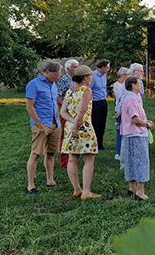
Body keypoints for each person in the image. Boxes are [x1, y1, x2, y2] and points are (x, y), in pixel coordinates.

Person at [60, 65, 101, 200]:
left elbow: (62, 112)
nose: (91, 78)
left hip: (70, 127)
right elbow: (82, 111)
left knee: (72, 158)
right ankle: (86, 192)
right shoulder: (86, 91)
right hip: (84, 127)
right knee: (89, 159)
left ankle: (77, 189)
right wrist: (77, 125)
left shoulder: (69, 92)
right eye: (90, 76)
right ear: (85, 78)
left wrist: (72, 123)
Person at [25, 62, 62, 194]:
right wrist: (39, 124)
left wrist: (57, 118)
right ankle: (30, 185)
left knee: (51, 153)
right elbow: (29, 106)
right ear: (46, 72)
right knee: (36, 154)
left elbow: (54, 103)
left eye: (58, 75)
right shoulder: (34, 84)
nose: (57, 78)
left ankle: (50, 180)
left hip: (54, 124)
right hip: (41, 125)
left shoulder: (53, 85)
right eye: (55, 75)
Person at [121, 76, 153, 201]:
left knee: (131, 161)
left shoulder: (132, 98)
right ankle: (140, 191)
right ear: (133, 85)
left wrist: (146, 121)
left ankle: (132, 187)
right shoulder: (131, 99)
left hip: (131, 134)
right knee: (141, 161)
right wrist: (147, 124)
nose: (141, 86)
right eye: (139, 83)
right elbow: (135, 119)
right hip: (137, 134)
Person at [57, 59, 79, 169]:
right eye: (75, 67)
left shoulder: (76, 80)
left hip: (76, 112)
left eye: (77, 66)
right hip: (67, 113)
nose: (77, 68)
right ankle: (64, 161)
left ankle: (72, 159)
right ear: (68, 68)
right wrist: (65, 108)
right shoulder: (64, 80)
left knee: (74, 134)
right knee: (66, 136)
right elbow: (58, 96)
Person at [88, 60, 110, 150]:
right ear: (103, 67)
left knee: (102, 123)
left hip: (103, 101)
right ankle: (93, 143)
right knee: (95, 123)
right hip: (95, 102)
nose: (109, 69)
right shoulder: (93, 76)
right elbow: (89, 89)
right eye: (107, 67)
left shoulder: (104, 75)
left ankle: (100, 144)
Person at [113, 67, 131, 161]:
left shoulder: (128, 84)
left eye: (128, 74)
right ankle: (118, 152)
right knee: (120, 131)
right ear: (120, 75)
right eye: (125, 74)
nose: (127, 76)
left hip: (127, 110)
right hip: (120, 109)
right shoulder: (117, 85)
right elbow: (120, 97)